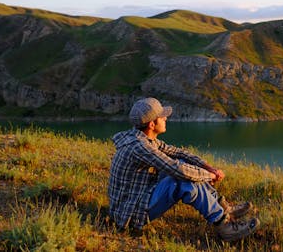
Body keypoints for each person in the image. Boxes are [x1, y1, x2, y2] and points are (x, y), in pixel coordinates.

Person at [108, 97, 259, 241]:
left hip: (138, 196)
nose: (166, 118)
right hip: (129, 213)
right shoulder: (140, 147)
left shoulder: (143, 138)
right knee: (182, 179)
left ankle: (222, 207)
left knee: (181, 162)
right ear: (152, 124)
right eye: (162, 117)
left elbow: (179, 153)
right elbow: (178, 170)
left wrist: (208, 168)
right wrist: (209, 176)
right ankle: (224, 226)